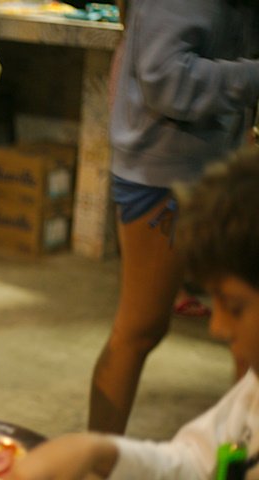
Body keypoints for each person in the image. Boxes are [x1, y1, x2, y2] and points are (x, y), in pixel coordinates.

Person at [11, 147, 259, 480]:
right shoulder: (251, 392)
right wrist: (102, 451)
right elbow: (194, 462)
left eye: (235, 307)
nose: (217, 327)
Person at [89, 0, 259, 434]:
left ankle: (241, 453)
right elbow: (165, 79)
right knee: (141, 328)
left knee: (248, 330)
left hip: (214, 160)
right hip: (165, 173)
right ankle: (96, 460)